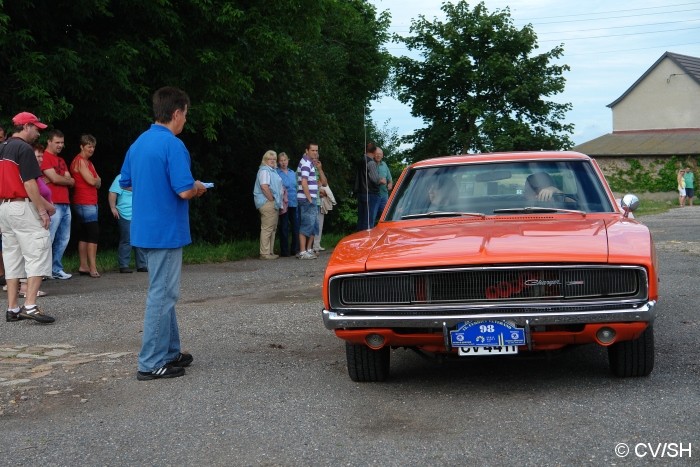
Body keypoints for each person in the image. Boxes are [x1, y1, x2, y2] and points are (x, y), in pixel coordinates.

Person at [120, 86, 207, 381]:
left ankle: (170, 352)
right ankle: (150, 363)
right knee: (162, 294)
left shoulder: (138, 143)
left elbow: (127, 182)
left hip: (144, 228)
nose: (185, 121)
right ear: (176, 112)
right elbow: (183, 190)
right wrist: (198, 187)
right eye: (185, 115)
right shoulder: (172, 145)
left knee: (162, 291)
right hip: (166, 230)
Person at [1, 112, 56, 324]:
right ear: (26, 126)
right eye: (36, 128)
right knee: (38, 251)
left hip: (4, 208)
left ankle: (12, 308)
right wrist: (42, 210)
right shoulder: (23, 149)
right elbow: (30, 184)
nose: (38, 133)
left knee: (12, 257)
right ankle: (30, 306)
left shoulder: (2, 147)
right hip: (22, 207)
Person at [40, 129, 74, 280]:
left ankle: (55, 268)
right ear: (49, 141)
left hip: (65, 202)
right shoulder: (44, 157)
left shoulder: (61, 160)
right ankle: (42, 271)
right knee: (49, 237)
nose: (60, 145)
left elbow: (71, 180)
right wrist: (60, 179)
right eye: (57, 142)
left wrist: (58, 178)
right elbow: (56, 179)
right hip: (52, 203)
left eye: (62, 142)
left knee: (64, 238)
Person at [71, 134, 102, 278]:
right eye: (89, 146)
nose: (92, 149)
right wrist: (95, 180)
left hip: (89, 202)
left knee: (84, 235)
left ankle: (83, 266)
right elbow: (92, 181)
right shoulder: (80, 161)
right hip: (84, 202)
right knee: (92, 234)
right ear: (81, 146)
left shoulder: (89, 163)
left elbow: (99, 182)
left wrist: (96, 180)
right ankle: (93, 268)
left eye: (93, 146)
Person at [108, 174, 147, 273]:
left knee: (140, 238)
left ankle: (142, 265)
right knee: (127, 239)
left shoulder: (141, 175)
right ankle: (124, 265)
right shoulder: (121, 177)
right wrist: (113, 208)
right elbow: (112, 192)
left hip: (139, 214)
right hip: (125, 213)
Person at [253, 150, 283, 260]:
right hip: (267, 202)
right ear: (265, 160)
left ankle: (269, 252)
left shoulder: (272, 171)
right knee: (267, 228)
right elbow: (264, 187)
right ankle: (265, 253)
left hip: (272, 203)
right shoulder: (264, 171)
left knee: (272, 228)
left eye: (274, 159)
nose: (272, 161)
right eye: (270, 159)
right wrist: (271, 199)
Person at [354, 142, 386, 231]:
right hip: (370, 193)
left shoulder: (361, 161)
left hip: (361, 193)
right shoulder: (371, 162)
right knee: (368, 220)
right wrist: (382, 180)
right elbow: (375, 179)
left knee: (361, 219)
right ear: (374, 151)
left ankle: (359, 239)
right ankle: (367, 240)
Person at [296, 143, 320, 259]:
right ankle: (302, 251)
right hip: (307, 199)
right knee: (306, 224)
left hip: (311, 198)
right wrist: (309, 198)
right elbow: (304, 182)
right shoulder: (306, 163)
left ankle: (309, 249)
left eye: (316, 150)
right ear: (307, 150)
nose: (315, 152)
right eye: (312, 150)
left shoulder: (309, 163)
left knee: (313, 225)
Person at [276, 152, 299, 257]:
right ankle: (285, 251)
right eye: (281, 160)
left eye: (285, 160)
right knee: (284, 227)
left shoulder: (292, 173)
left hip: (294, 202)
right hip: (283, 204)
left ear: (288, 160)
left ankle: (295, 249)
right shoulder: (276, 173)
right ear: (278, 162)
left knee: (295, 227)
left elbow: (297, 187)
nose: (283, 162)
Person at [311, 151, 329, 253]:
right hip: (309, 200)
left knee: (319, 223)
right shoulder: (306, 169)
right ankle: (308, 247)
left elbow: (325, 183)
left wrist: (320, 169)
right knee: (310, 224)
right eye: (313, 158)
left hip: (319, 200)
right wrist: (318, 188)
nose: (315, 160)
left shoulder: (318, 170)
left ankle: (316, 245)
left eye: (316, 159)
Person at [374, 147, 393, 224]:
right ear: (374, 155)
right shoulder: (370, 164)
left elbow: (389, 178)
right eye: (377, 154)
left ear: (382, 155)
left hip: (384, 195)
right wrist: (379, 181)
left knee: (385, 217)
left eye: (380, 154)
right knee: (372, 216)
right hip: (374, 195)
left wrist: (390, 184)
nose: (378, 156)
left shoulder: (384, 165)